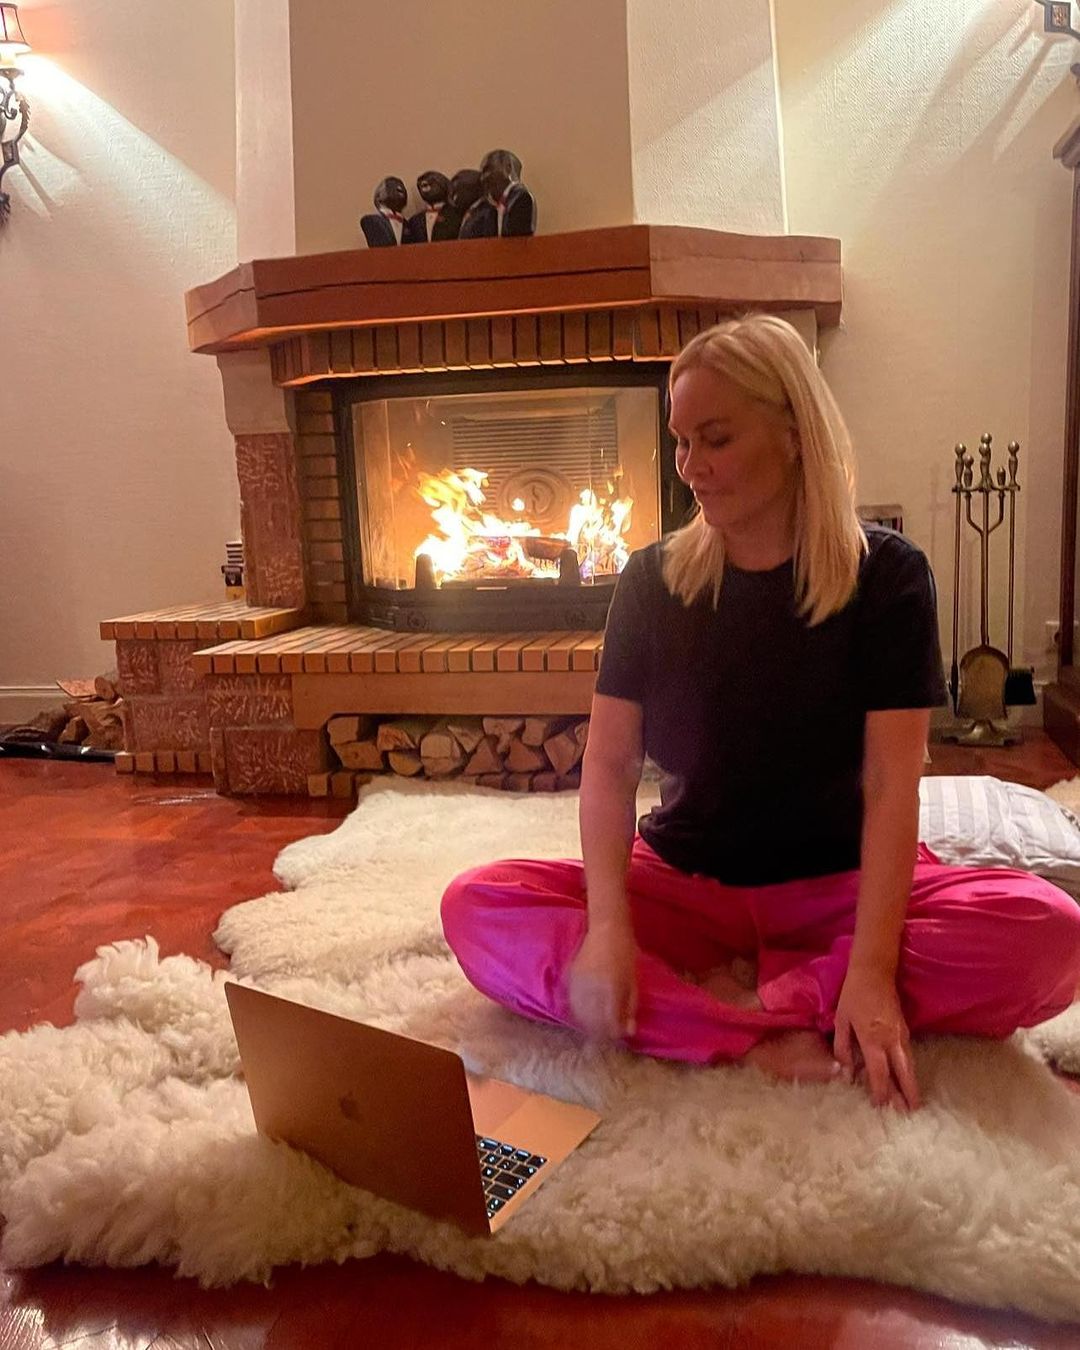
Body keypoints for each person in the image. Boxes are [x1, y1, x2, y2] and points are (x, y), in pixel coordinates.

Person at [441, 314, 1080, 1112]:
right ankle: (756, 1030)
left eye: (715, 439)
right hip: (684, 883)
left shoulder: (888, 578)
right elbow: (607, 766)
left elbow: (892, 783)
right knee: (476, 908)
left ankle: (739, 1004)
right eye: (681, 443)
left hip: (842, 890)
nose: (690, 467)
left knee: (1054, 935)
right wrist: (609, 929)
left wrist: (872, 970)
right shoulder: (649, 582)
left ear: (794, 433)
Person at [403, 171, 462, 244]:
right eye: (421, 186)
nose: (424, 189)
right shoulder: (414, 221)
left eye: (430, 184)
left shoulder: (456, 215)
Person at [360, 177, 408, 248]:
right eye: (391, 186)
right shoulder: (371, 221)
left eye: (402, 187)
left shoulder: (409, 224)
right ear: (379, 197)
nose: (400, 188)